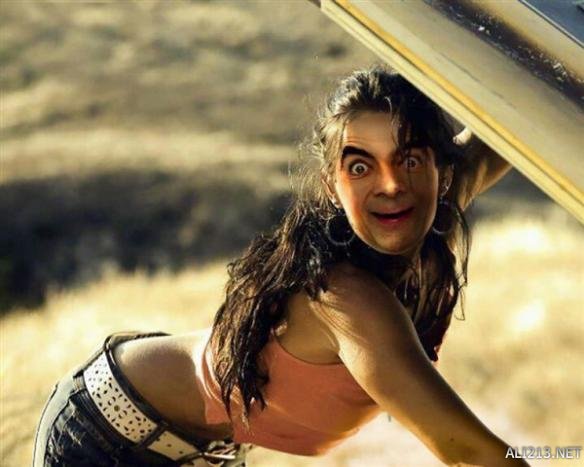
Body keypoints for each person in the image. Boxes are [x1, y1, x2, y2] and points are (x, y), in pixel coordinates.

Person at [33, 66, 527, 467]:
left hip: (201, 447)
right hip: (108, 431)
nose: (392, 184)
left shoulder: (434, 204)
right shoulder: (345, 300)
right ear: (332, 187)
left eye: (411, 160)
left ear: (442, 171)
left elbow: (526, 106)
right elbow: (470, 452)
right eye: (360, 167)